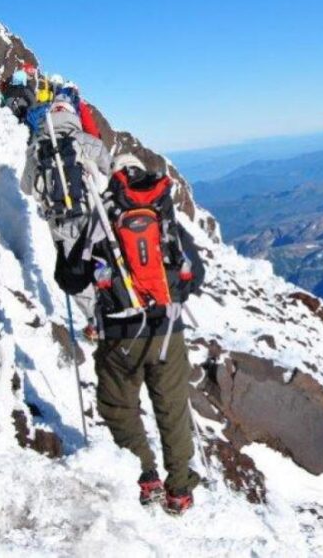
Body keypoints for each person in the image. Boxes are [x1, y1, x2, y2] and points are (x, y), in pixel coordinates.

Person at [58, 154, 205, 514]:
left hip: (121, 333)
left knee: (118, 405)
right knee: (172, 409)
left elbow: (71, 278)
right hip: (169, 329)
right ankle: (180, 490)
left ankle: (145, 475)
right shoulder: (166, 217)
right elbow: (196, 274)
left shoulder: (104, 216)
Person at [20, 93, 112, 340]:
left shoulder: (37, 146)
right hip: (89, 212)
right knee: (101, 257)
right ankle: (115, 304)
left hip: (59, 221)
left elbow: (26, 187)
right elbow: (108, 165)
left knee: (74, 269)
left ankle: (97, 319)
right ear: (72, 115)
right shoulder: (82, 139)